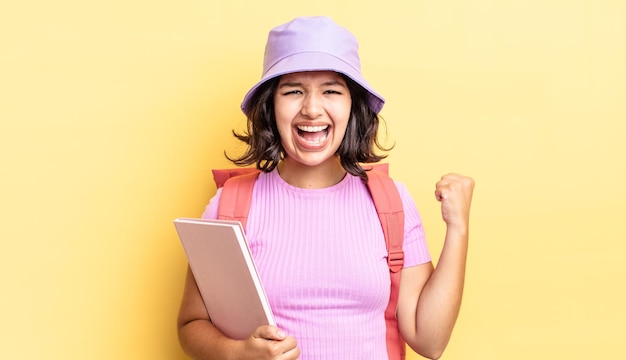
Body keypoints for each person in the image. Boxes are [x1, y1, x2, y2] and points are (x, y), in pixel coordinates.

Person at [177, 16, 475, 360]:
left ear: (353, 106)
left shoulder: (392, 202)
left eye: (331, 90)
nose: (312, 109)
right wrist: (239, 353)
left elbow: (430, 341)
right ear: (271, 106)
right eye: (293, 91)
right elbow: (191, 325)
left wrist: (458, 229)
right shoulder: (229, 205)